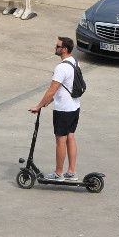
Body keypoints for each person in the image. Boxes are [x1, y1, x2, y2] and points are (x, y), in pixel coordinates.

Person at [30, 37, 81, 181]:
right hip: (74, 107)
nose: (55, 48)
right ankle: (71, 172)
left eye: (57, 46)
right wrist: (49, 101)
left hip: (63, 110)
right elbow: (66, 87)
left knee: (61, 140)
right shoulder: (75, 62)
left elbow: (52, 90)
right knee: (70, 137)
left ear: (64, 49)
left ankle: (58, 174)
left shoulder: (61, 68)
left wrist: (39, 106)